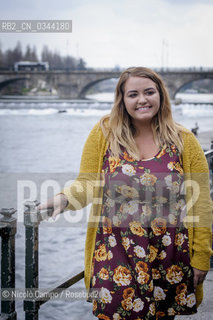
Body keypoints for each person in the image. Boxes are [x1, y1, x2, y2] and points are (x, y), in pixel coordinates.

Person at [39, 67, 212, 319]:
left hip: (169, 252)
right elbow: (87, 183)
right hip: (115, 251)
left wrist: (201, 257)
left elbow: (202, 202)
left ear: (161, 95)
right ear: (122, 99)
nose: (142, 99)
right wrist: (64, 198)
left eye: (149, 92)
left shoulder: (183, 139)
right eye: (133, 94)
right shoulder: (104, 133)